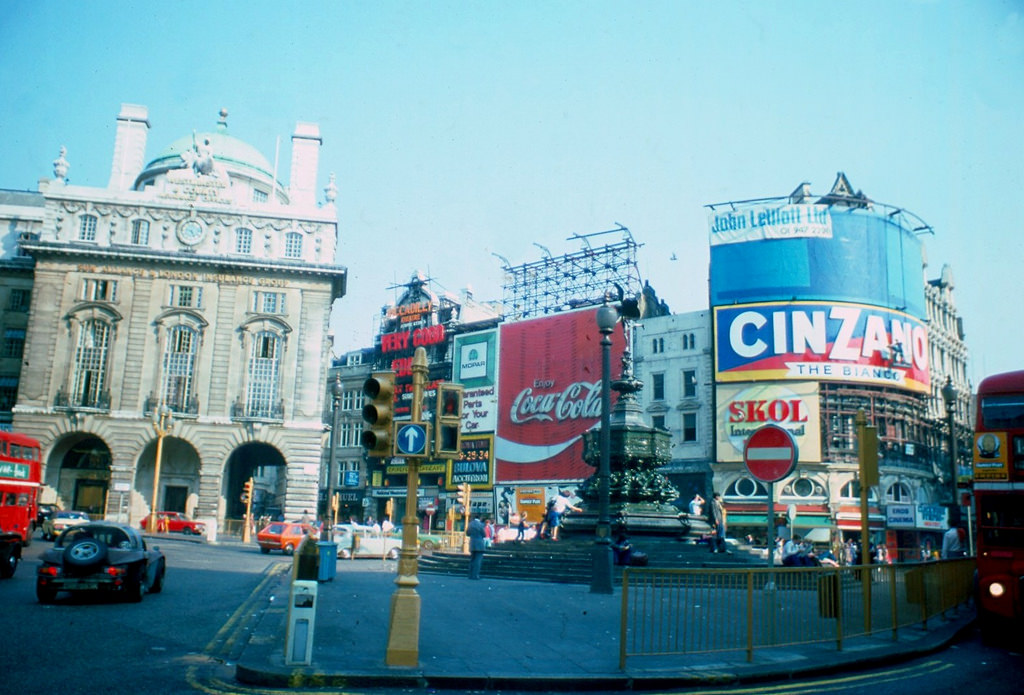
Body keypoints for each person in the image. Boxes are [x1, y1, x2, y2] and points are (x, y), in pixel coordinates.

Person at [467, 515, 486, 579]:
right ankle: (475, 575)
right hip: (480, 544)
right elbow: (484, 534)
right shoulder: (480, 524)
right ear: (480, 518)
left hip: (472, 543)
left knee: (472, 560)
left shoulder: (470, 524)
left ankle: (470, 575)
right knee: (478, 561)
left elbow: (468, 533)